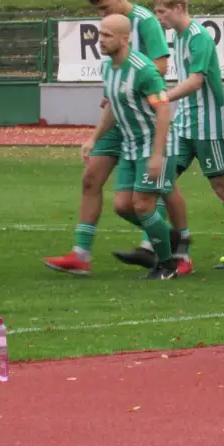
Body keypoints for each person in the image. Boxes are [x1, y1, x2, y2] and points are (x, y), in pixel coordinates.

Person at [43, 0, 192, 276]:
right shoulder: (107, 62)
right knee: (96, 183)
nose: (102, 18)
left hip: (146, 119)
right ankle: (81, 254)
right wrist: (96, 131)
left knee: (159, 188)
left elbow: (160, 67)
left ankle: (177, 249)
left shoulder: (145, 24)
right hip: (121, 117)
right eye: (98, 15)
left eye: (105, 9)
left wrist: (130, 79)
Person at [113, 0, 224, 270]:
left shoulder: (199, 37)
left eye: (162, 12)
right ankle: (173, 251)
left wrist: (163, 97)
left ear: (178, 8)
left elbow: (197, 81)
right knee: (163, 183)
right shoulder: (179, 37)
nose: (159, 18)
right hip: (184, 123)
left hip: (207, 125)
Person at [79, 14, 180, 281]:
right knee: (123, 206)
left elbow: (163, 110)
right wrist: (94, 138)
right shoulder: (108, 68)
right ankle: (167, 235)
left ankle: (167, 266)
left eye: (107, 35)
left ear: (125, 39)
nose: (101, 40)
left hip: (151, 145)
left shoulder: (144, 69)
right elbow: (113, 105)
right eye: (100, 34)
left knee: (143, 205)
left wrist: (158, 155)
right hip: (130, 145)